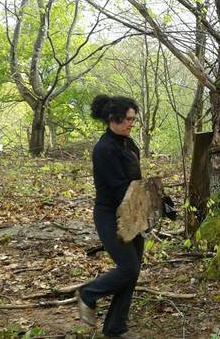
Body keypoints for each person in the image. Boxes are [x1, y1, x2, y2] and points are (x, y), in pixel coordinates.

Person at [76, 95, 143, 339]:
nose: (131, 124)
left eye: (133, 120)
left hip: (133, 212)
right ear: (112, 118)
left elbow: (136, 181)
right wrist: (147, 201)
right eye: (127, 119)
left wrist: (160, 201)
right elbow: (120, 189)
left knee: (132, 271)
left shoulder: (129, 143)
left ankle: (115, 328)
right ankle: (88, 294)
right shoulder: (104, 149)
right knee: (128, 267)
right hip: (110, 214)